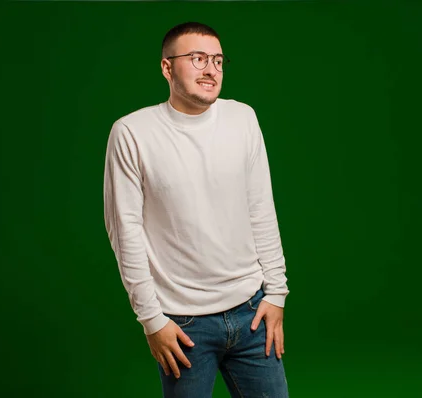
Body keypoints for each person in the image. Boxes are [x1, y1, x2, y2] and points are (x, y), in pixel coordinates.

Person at [103, 21, 290, 397]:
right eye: (198, 58)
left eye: (219, 61)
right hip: (183, 324)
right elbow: (126, 233)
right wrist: (152, 320)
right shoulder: (132, 133)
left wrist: (276, 293)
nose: (211, 69)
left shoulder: (243, 118)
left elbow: (261, 208)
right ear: (167, 67)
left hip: (252, 311)